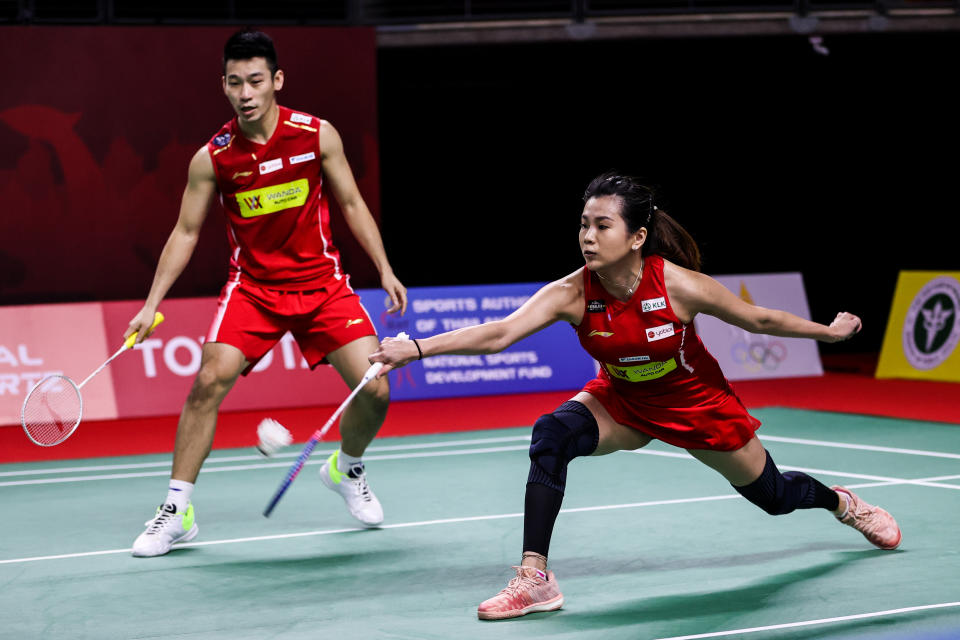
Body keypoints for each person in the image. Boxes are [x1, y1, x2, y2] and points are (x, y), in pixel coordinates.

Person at [369, 172, 901, 619]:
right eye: (583, 224)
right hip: (622, 400)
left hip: (696, 404)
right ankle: (535, 578)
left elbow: (759, 318)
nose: (588, 236)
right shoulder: (572, 292)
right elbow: (499, 334)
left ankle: (843, 504)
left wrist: (828, 333)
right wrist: (416, 347)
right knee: (551, 434)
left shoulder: (678, 285)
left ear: (637, 235)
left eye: (603, 226)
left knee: (775, 497)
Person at [126, 30, 407, 557]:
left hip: (323, 285)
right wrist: (150, 304)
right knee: (208, 380)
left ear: (276, 80)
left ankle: (346, 469)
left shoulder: (317, 135)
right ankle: (176, 509)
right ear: (224, 87)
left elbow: (350, 203)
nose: (246, 93)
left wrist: (384, 269)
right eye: (235, 83)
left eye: (256, 81)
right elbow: (185, 232)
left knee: (374, 389)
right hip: (253, 289)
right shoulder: (213, 158)